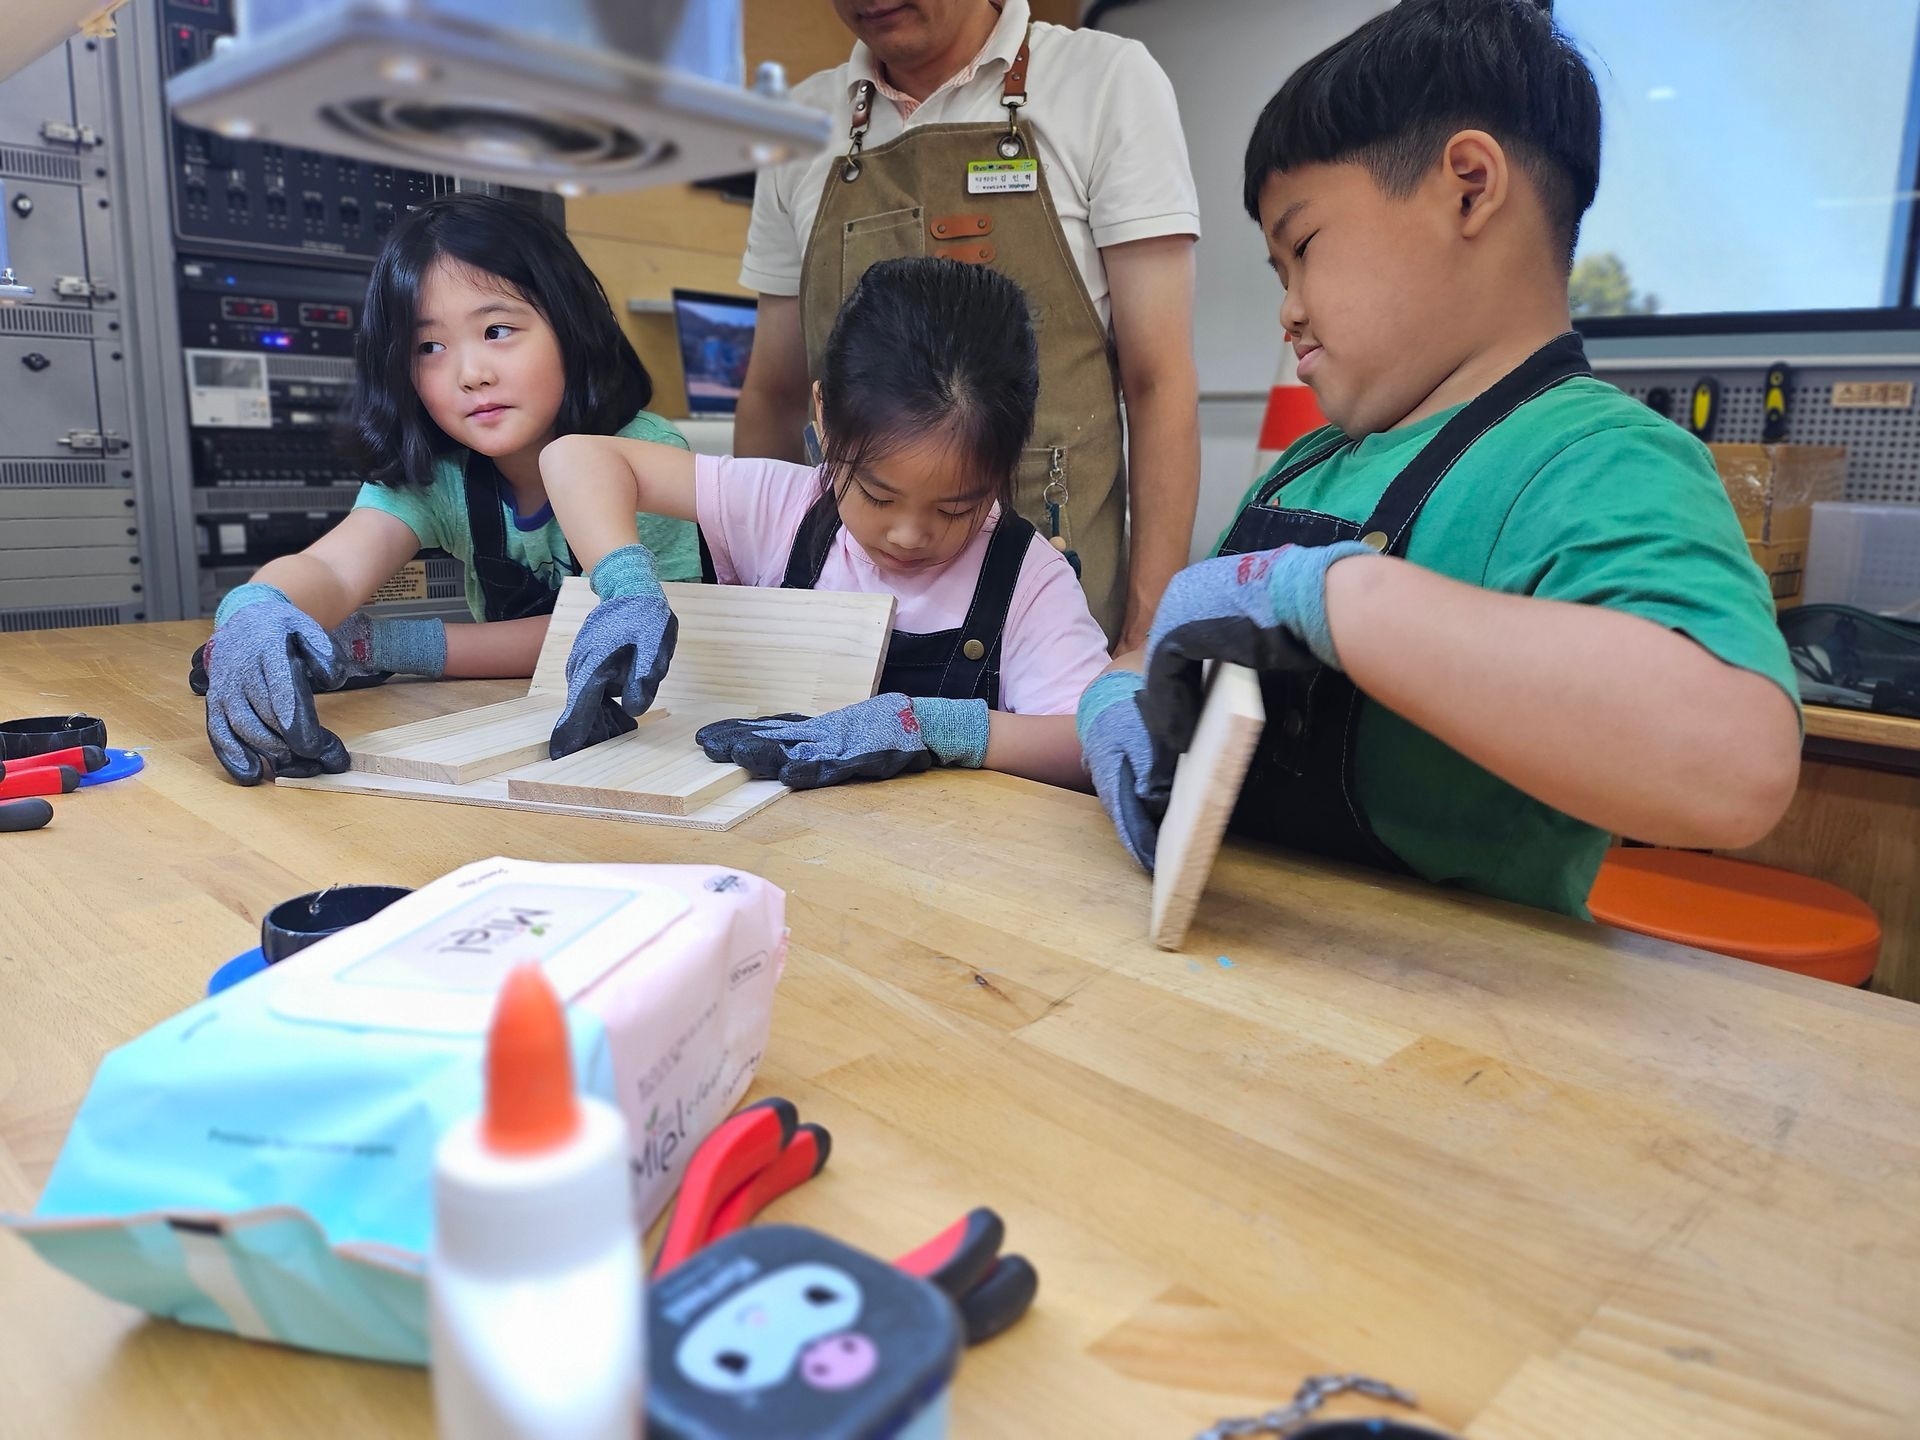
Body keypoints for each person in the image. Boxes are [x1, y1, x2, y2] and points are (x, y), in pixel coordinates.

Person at [1079, 0, 1802, 919]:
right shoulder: (1305, 468)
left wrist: (1336, 599)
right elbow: (1179, 674)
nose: (1287, 309)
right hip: (1239, 970)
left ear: (1468, 186)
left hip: (1451, 1006)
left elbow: (1737, 764)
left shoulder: (1593, 457)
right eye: (1277, 273)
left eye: (1304, 248)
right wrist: (1115, 701)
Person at [732, 0, 1202, 652]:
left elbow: (1158, 379)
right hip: (848, 618)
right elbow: (772, 396)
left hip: (1052, 604)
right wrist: (759, 607)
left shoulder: (1104, 80)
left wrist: (1148, 634)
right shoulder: (797, 125)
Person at [540, 257, 1110, 788]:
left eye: (956, 509)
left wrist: (935, 728)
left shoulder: (1029, 578)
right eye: (876, 495)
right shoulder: (780, 508)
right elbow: (575, 459)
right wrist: (626, 589)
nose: (909, 534)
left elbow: (1089, 744)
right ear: (825, 419)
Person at [192, 194, 703, 785]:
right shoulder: (439, 475)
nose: (470, 374)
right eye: (429, 347)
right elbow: (329, 569)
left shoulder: (644, 456)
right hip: (510, 723)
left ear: (571, 326)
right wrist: (255, 610)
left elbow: (637, 634)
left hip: (658, 739)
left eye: (497, 331)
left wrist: (384, 647)